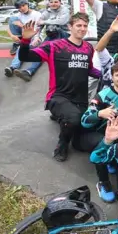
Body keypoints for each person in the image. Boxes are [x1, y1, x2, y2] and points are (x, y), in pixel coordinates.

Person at [17, 14, 102, 162]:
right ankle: (62, 144)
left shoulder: (88, 48)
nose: (82, 29)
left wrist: (107, 75)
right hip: (59, 96)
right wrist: (25, 40)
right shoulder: (55, 46)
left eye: (85, 26)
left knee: (83, 127)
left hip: (81, 99)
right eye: (78, 25)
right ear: (70, 27)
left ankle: (61, 117)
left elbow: (89, 69)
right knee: (73, 119)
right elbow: (25, 57)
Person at [79, 61, 118, 202]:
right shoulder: (103, 95)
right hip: (91, 135)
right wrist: (99, 114)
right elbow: (84, 121)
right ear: (112, 77)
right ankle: (104, 182)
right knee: (104, 143)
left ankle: (113, 161)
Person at [5, 0, 43, 81]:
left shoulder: (37, 14)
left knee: (38, 52)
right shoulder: (18, 15)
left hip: (35, 36)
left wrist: (37, 38)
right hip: (25, 37)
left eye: (23, 6)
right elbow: (8, 28)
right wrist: (12, 36)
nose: (22, 8)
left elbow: (38, 28)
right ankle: (12, 67)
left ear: (27, 4)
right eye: (19, 7)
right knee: (12, 19)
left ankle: (29, 71)